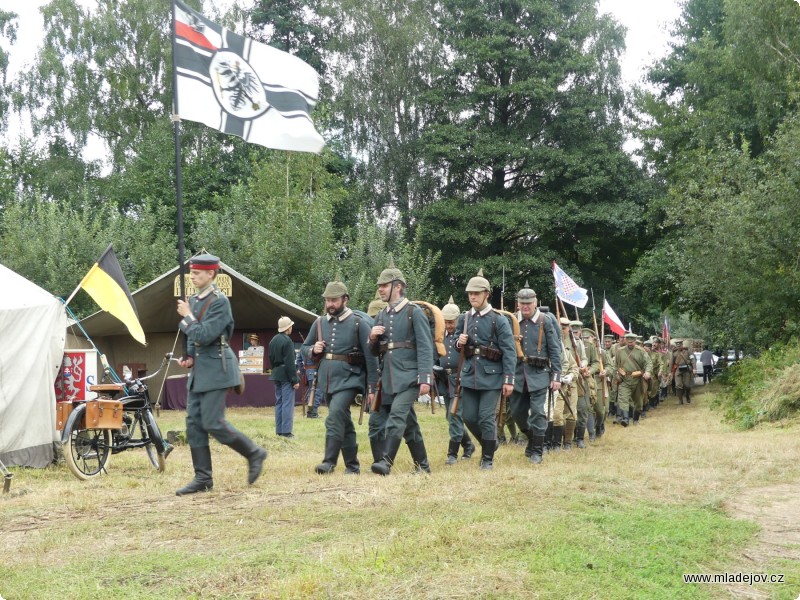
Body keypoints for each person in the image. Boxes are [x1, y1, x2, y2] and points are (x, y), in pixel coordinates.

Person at [175, 253, 267, 496]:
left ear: (211, 274)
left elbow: (205, 334)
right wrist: (190, 356)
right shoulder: (193, 300)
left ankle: (253, 452)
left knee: (212, 422)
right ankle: (203, 478)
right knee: (194, 423)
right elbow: (194, 339)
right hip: (200, 369)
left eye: (197, 273)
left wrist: (186, 317)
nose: (192, 276)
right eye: (192, 272)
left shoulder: (219, 302)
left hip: (217, 368)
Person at [302, 277, 378, 474]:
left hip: (350, 379)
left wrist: (372, 388)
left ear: (345, 299)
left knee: (334, 415)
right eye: (327, 300)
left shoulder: (358, 324)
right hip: (326, 380)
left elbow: (371, 358)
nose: (330, 304)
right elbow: (303, 349)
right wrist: (313, 349)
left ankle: (329, 462)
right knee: (344, 420)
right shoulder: (319, 323)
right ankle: (352, 466)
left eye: (334, 300)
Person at [368, 262, 434, 476]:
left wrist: (425, 377)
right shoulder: (381, 315)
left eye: (384, 285)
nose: (380, 289)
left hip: (409, 377)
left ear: (398, 286)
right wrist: (372, 338)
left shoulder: (414, 312)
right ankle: (423, 466)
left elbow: (425, 346)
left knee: (397, 417)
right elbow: (375, 352)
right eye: (379, 285)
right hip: (387, 379)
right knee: (405, 424)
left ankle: (386, 463)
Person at [454, 269, 516, 470]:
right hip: (470, 375)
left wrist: (508, 379)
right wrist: (458, 342)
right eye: (470, 293)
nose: (472, 296)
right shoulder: (464, 318)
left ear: (486, 294)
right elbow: (456, 342)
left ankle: (487, 458)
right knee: (469, 416)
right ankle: (490, 444)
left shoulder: (498, 320)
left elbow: (509, 351)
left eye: (477, 293)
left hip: (492, 377)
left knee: (486, 417)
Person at [508, 283, 562, 464]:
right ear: (518, 303)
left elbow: (555, 350)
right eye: (522, 303)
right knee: (516, 413)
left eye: (528, 303)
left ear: (535, 302)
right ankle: (532, 439)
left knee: (538, 412)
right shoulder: (512, 321)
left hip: (539, 374)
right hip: (517, 375)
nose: (525, 307)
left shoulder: (545, 321)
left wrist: (556, 376)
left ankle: (537, 451)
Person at [439, 295, 476, 464]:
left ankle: (452, 454)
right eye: (446, 322)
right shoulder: (440, 335)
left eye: (451, 322)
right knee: (450, 415)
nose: (448, 325)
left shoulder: (463, 334)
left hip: (459, 379)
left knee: (455, 416)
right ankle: (468, 445)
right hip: (444, 379)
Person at [268, 316, 300, 437]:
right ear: (288, 328)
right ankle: (286, 432)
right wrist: (295, 380)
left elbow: (270, 358)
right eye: (291, 326)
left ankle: (279, 430)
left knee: (279, 403)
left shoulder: (273, 340)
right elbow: (290, 363)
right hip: (286, 375)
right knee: (287, 403)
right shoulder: (287, 341)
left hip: (276, 373)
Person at [613, 332, 652, 426]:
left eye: (632, 342)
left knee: (638, 401)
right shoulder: (620, 351)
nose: (630, 343)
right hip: (624, 379)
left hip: (638, 379)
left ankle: (635, 419)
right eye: (628, 341)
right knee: (623, 399)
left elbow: (648, 363)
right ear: (625, 341)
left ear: (635, 341)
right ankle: (625, 419)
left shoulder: (641, 351)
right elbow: (615, 366)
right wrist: (616, 375)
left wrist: (647, 372)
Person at [669, 339, 694, 404]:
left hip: (686, 369)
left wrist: (694, 368)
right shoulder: (674, 352)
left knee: (687, 385)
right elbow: (671, 362)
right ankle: (680, 400)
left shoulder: (687, 351)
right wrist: (670, 372)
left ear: (682, 345)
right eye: (677, 345)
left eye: (680, 345)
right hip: (677, 370)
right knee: (678, 385)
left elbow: (692, 359)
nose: (679, 346)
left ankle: (687, 396)